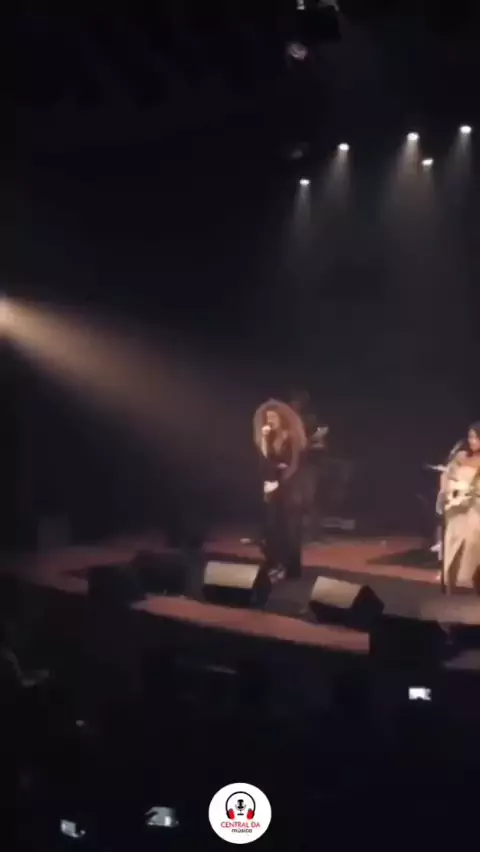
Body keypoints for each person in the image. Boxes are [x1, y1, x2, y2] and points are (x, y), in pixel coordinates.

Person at [253, 399, 307, 580]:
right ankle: (274, 562)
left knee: (290, 529)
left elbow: (293, 465)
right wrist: (264, 440)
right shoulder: (269, 436)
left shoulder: (292, 437)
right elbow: (265, 460)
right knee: (272, 526)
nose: (270, 420)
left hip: (291, 488)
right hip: (273, 485)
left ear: (281, 418)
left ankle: (292, 568)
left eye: (273, 417)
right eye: (268, 417)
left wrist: (279, 482)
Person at [437, 423, 480, 594]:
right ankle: (450, 584)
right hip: (456, 507)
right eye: (470, 437)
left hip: (475, 507)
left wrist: (471, 491)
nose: (472, 441)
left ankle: (474, 580)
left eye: (476, 437)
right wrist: (446, 491)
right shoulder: (461, 456)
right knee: (453, 541)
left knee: (474, 540)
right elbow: (447, 474)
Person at [289, 390, 329, 541]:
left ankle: (314, 533)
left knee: (309, 499)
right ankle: (294, 532)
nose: (294, 405)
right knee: (294, 501)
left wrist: (310, 445)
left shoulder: (312, 421)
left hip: (308, 465)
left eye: (297, 403)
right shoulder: (287, 421)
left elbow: (322, 440)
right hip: (292, 465)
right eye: (292, 403)